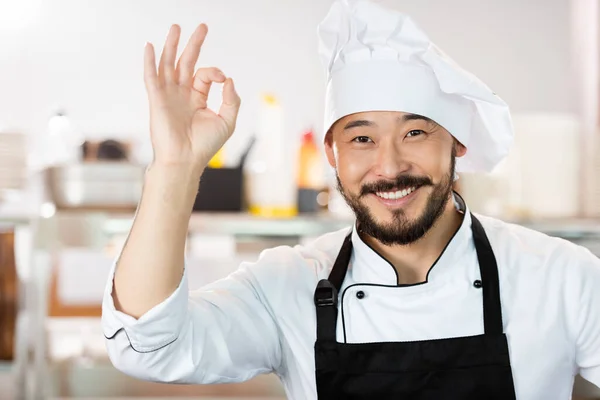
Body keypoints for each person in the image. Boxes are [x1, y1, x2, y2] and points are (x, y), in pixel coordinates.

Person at [101, 1, 600, 399]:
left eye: (416, 132)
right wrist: (175, 165)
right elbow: (148, 347)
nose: (388, 166)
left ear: (458, 144)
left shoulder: (560, 277)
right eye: (362, 139)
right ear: (333, 155)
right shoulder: (286, 285)